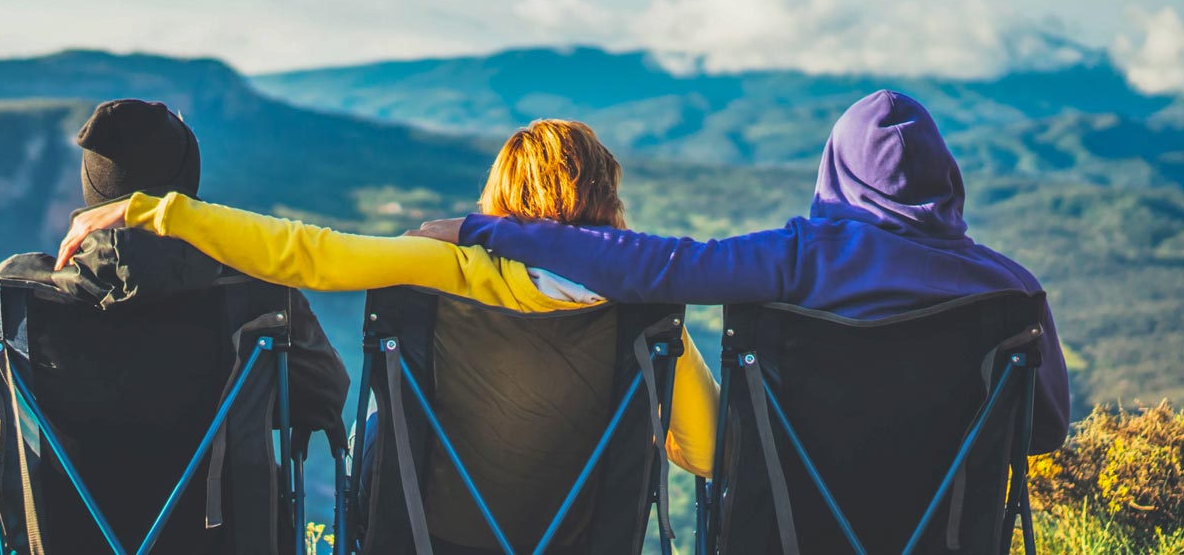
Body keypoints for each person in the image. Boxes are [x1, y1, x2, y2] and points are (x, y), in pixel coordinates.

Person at [57, 118, 718, 553]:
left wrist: (156, 209)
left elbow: (305, 252)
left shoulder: (448, 268)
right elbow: (710, 452)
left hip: (427, 536)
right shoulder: (645, 317)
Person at [410, 90, 1070, 454]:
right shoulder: (1010, 289)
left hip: (793, 517)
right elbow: (1041, 434)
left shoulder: (799, 258)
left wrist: (485, 229)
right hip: (946, 528)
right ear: (945, 176)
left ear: (836, 174)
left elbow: (652, 269)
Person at [0, 99, 350, 553]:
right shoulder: (257, 296)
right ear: (186, 190)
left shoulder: (11, 298)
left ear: (92, 192)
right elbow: (323, 400)